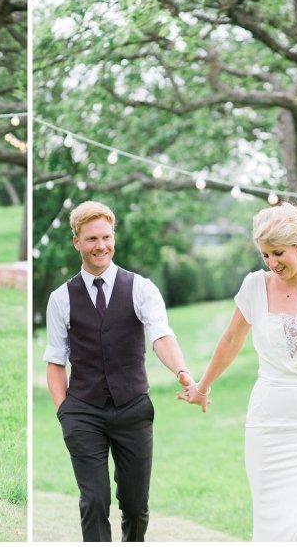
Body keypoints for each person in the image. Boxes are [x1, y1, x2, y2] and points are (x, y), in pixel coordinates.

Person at [179, 202, 297, 541]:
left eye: (278, 253)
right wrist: (202, 386)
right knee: (272, 526)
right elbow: (230, 340)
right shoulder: (254, 287)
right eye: (264, 256)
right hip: (267, 427)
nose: (272, 263)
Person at [44, 200, 193, 542]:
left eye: (106, 237)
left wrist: (182, 372)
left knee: (135, 505)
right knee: (94, 501)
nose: (101, 246)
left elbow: (160, 335)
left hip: (132, 409)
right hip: (83, 411)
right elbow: (55, 361)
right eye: (92, 239)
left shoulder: (141, 288)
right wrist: (65, 411)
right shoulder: (60, 298)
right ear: (76, 242)